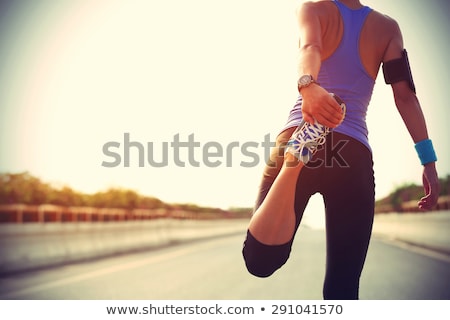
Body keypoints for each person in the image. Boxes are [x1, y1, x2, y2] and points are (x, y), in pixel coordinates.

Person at [242, 0, 440, 300]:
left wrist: (308, 87)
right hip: (353, 152)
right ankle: (295, 161)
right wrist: (428, 162)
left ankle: (293, 164)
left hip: (303, 127)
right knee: (343, 286)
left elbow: (310, 47)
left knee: (260, 260)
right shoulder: (387, 28)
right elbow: (405, 97)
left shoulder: (313, 8)